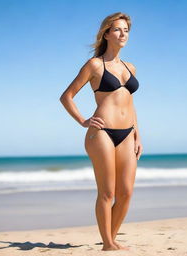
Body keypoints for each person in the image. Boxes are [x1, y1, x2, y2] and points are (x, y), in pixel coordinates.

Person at [59, 12, 143, 251]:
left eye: (126, 30)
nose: (123, 34)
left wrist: (138, 134)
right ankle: (107, 243)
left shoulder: (131, 67)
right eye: (117, 29)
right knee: (107, 193)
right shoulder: (95, 65)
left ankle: (111, 238)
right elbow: (66, 96)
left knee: (126, 193)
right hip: (102, 133)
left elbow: (129, 103)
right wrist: (83, 121)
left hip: (127, 133)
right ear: (106, 33)